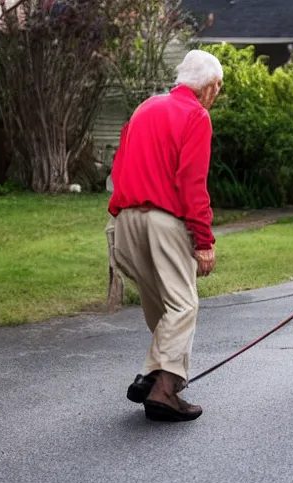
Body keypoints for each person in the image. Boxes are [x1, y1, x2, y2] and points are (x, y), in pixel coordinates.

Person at [107, 49, 223, 422]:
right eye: (217, 88)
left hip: (125, 220)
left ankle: (154, 372)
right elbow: (192, 184)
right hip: (162, 220)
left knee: (159, 305)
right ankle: (164, 390)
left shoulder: (146, 108)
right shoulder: (196, 116)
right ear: (209, 86)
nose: (216, 94)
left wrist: (118, 213)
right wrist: (203, 241)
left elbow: (119, 164)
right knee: (183, 305)